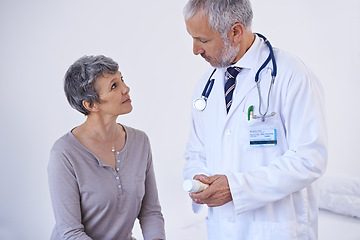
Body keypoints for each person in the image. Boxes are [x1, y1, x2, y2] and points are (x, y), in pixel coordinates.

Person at [182, 0, 328, 239]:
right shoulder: (205, 87)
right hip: (222, 229)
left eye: (203, 40)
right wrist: (198, 179)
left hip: (277, 229)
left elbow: (310, 158)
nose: (195, 49)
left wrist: (237, 188)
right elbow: (196, 153)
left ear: (236, 32)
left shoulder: (291, 75)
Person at [48, 55, 165, 240]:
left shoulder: (140, 142)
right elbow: (70, 233)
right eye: (114, 86)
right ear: (91, 105)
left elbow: (150, 212)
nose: (126, 89)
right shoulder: (64, 153)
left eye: (122, 80)